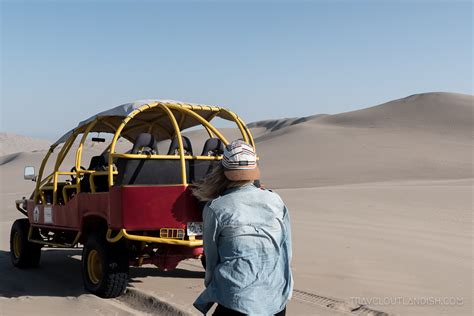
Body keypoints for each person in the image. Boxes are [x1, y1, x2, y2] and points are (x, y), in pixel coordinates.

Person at [192, 140, 293, 316]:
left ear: (222, 172)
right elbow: (286, 252)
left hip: (236, 301)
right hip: (276, 300)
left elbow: (211, 261)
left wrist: (214, 290)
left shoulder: (215, 208)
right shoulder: (276, 201)